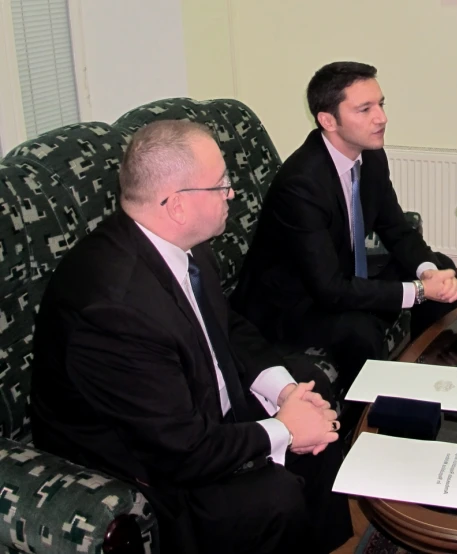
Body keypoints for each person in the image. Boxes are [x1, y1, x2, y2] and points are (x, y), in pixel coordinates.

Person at [30, 120, 353, 554]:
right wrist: (281, 429)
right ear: (178, 205)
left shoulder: (181, 240)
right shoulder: (114, 311)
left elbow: (226, 325)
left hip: (191, 400)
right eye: (220, 184)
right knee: (273, 498)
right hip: (143, 462)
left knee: (315, 394)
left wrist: (286, 391)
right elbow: (179, 448)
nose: (232, 194)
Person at [230, 61, 457, 391]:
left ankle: (431, 381)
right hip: (290, 305)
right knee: (360, 330)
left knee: (441, 267)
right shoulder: (301, 185)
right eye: (365, 109)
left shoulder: (370, 155)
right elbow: (328, 289)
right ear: (328, 120)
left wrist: (428, 274)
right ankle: (366, 419)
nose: (381, 117)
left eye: (381, 104)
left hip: (339, 276)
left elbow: (396, 228)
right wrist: (416, 292)